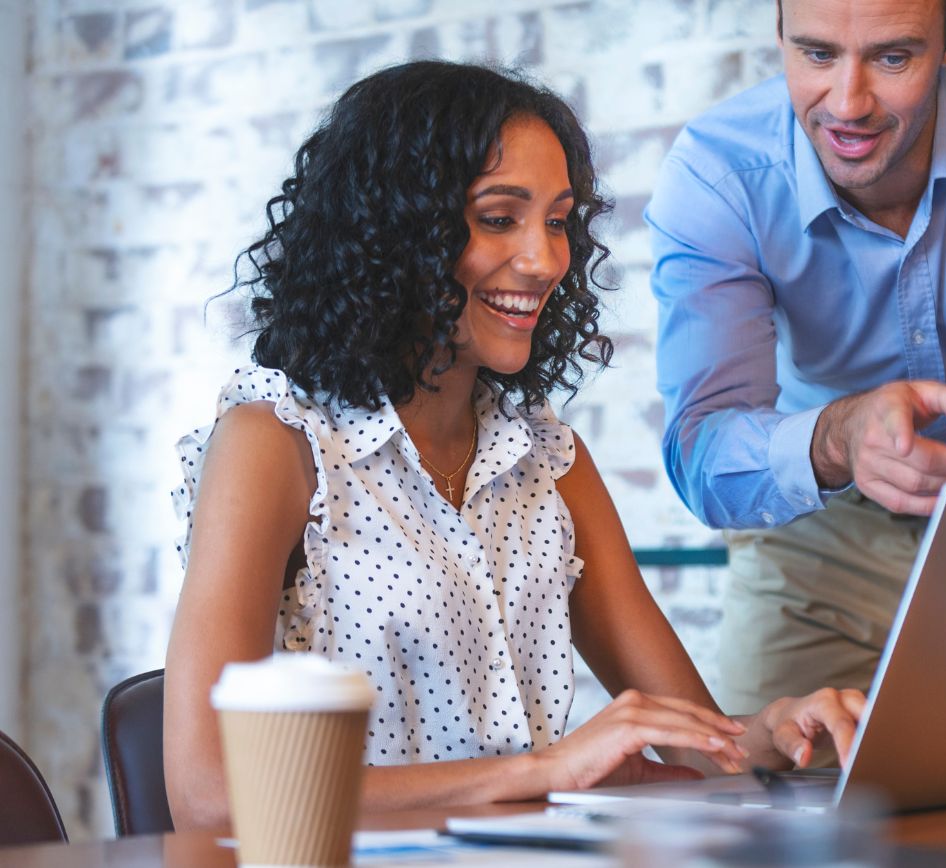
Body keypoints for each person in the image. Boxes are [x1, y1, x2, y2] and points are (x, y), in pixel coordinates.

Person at [163, 61, 862, 830]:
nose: (544, 260)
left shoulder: (547, 460)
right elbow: (209, 793)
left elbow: (700, 744)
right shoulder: (276, 443)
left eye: (558, 221)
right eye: (500, 218)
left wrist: (773, 733)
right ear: (397, 233)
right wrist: (543, 772)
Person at [647, 0, 946, 713]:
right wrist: (838, 437)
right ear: (778, 29)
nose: (848, 105)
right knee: (775, 806)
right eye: (816, 54)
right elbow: (704, 457)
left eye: (892, 57)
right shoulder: (719, 175)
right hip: (819, 542)